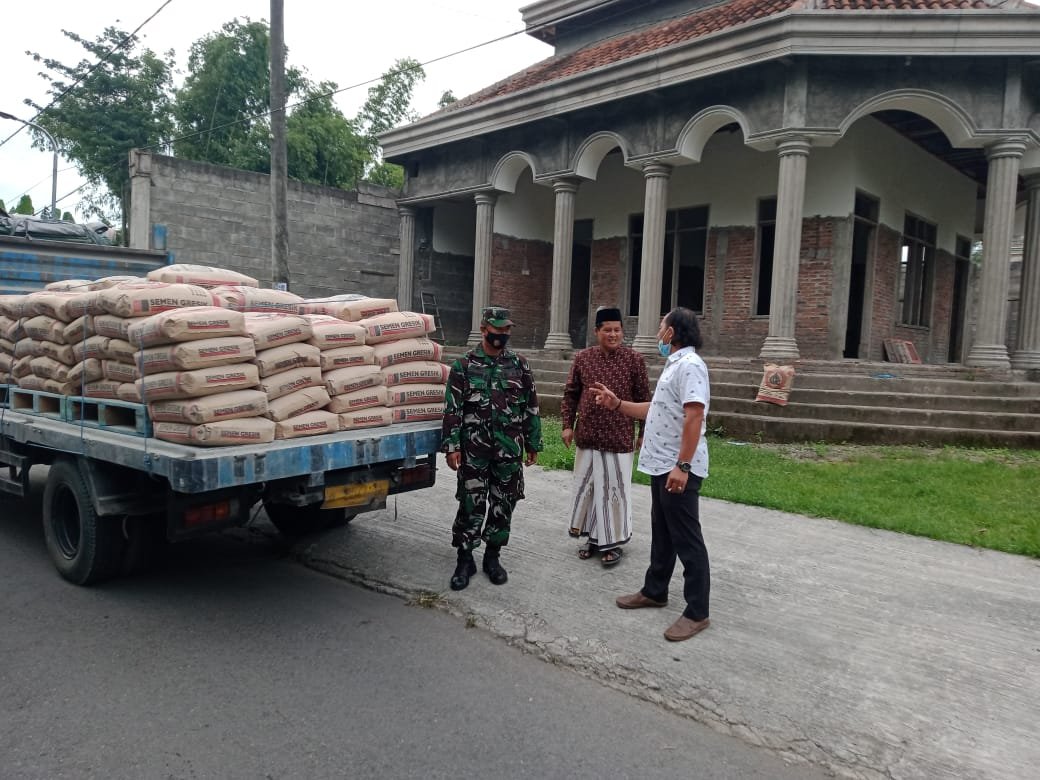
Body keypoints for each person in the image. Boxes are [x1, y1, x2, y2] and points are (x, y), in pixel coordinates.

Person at [589, 307, 711, 642]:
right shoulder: (674, 366)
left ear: (672, 332)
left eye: (661, 327)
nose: (658, 332)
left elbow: (694, 417)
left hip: (677, 467)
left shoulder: (690, 366)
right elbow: (654, 409)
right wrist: (617, 404)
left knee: (687, 539)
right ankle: (655, 590)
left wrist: (682, 466)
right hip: (662, 465)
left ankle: (697, 611)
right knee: (664, 533)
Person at [441, 305, 542, 591]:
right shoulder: (464, 365)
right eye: (498, 329)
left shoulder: (519, 365)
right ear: (485, 329)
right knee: (471, 503)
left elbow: (531, 406)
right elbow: (453, 410)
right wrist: (451, 446)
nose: (503, 334)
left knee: (503, 504)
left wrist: (533, 442)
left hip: (508, 451)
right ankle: (464, 558)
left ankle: (492, 557)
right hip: (474, 451)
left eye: (507, 329)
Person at [561, 306, 650, 566]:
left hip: (618, 437)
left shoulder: (634, 360)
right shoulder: (583, 358)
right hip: (588, 435)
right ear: (597, 331)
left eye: (617, 330)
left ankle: (613, 542)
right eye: (608, 330)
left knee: (614, 491)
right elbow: (571, 394)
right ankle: (593, 538)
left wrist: (643, 433)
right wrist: (567, 425)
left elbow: (645, 399)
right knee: (589, 488)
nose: (613, 334)